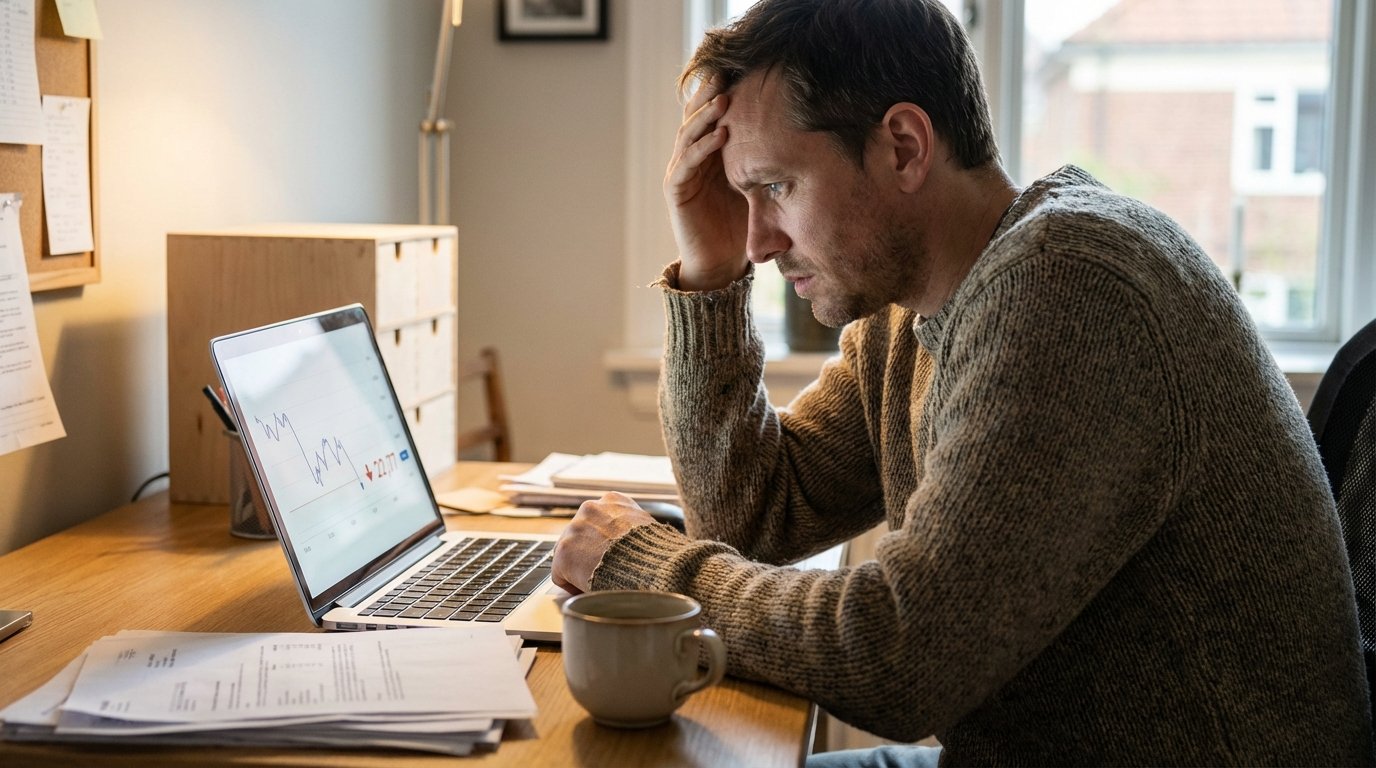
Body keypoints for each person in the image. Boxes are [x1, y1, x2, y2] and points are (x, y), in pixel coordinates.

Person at [550, 0, 1374, 763]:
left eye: (776, 187)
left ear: (903, 146)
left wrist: (645, 566)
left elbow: (897, 656)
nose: (760, 240)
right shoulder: (909, 306)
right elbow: (755, 520)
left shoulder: (1069, 288)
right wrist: (709, 274)